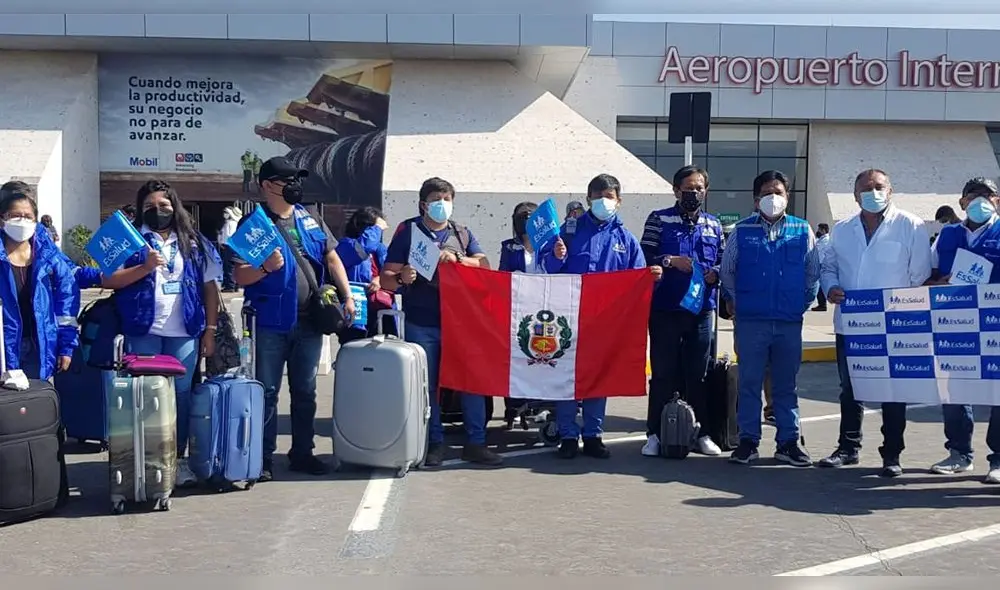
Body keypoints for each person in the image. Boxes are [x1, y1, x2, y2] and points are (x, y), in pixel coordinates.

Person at [233, 157, 355, 481]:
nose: (294, 185)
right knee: (267, 392)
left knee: (305, 391)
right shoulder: (253, 225)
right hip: (270, 322)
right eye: (286, 180)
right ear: (267, 185)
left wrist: (347, 295)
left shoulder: (310, 218)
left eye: (296, 179)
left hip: (310, 322)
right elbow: (237, 274)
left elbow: (331, 256)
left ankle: (303, 453)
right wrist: (263, 269)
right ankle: (262, 459)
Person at [102, 179, 223, 487]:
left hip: (184, 331)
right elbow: (108, 279)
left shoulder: (194, 241)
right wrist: (144, 267)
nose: (158, 211)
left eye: (164, 206)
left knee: (180, 396)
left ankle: (177, 459)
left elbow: (210, 287)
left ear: (175, 207)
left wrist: (210, 329)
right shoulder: (129, 239)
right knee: (146, 397)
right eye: (150, 207)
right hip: (144, 329)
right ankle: (146, 460)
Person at [380, 177, 502, 467]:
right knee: (429, 385)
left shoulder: (461, 233)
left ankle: (476, 442)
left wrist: (459, 257)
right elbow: (386, 277)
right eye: (437, 200)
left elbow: (484, 265)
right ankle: (435, 443)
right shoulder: (408, 232)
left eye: (447, 199)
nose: (442, 205)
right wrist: (402, 277)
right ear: (424, 204)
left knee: (471, 382)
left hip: (461, 323)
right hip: (423, 321)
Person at [818, 168, 932, 477]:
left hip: (894, 322)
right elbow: (829, 266)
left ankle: (892, 454)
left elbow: (919, 273)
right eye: (865, 189)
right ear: (855, 196)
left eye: (879, 187)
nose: (873, 193)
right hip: (852, 323)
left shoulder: (910, 225)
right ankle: (848, 448)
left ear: (891, 191)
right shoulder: (842, 229)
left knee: (892, 391)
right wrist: (830, 287)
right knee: (849, 388)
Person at [541, 173, 649, 459]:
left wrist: (654, 277)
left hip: (606, 322)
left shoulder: (625, 239)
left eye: (609, 197)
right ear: (588, 198)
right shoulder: (570, 230)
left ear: (619, 201)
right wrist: (557, 255)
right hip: (569, 319)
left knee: (598, 379)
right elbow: (548, 268)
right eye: (598, 196)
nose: (603, 201)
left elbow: (638, 279)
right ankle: (567, 435)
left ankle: (593, 434)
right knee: (566, 378)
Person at [720, 170, 819, 467]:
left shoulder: (803, 230)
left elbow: (812, 273)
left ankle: (788, 442)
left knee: (786, 385)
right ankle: (747, 441)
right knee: (749, 383)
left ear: (787, 198)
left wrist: (799, 304)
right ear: (755, 199)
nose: (772, 198)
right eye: (766, 192)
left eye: (778, 192)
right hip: (751, 322)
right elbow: (728, 271)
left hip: (788, 322)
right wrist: (739, 303)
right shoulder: (741, 231)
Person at [639, 165, 723, 457]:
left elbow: (724, 261)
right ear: (676, 190)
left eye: (699, 187)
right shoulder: (659, 219)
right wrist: (670, 260)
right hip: (665, 309)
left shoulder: (714, 224)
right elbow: (645, 256)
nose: (694, 192)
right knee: (664, 373)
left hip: (700, 310)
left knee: (698, 374)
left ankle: (702, 433)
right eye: (689, 187)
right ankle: (655, 433)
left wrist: (716, 272)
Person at [925, 177, 1000, 484]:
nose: (981, 200)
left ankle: (999, 460)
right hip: (953, 324)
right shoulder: (947, 235)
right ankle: (959, 453)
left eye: (988, 195)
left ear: (998, 201)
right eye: (974, 195)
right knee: (954, 390)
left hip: (995, 327)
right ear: (962, 203)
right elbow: (927, 275)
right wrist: (937, 282)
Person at [0, 185, 78, 381]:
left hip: (41, 349)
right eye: (14, 215)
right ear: (2, 220)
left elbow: (66, 300)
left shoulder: (49, 258)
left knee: (36, 406)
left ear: (36, 221)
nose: (22, 220)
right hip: (3, 351)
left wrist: (66, 346)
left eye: (28, 216)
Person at [335, 206, 392, 343]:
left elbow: (390, 272)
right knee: (354, 353)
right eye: (374, 229)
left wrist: (379, 279)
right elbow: (363, 247)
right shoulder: (346, 245)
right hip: (355, 309)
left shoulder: (380, 249)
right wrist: (377, 227)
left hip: (378, 310)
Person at [499, 202, 542, 274]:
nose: (525, 221)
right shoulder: (509, 247)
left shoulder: (548, 245)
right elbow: (503, 273)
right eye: (520, 217)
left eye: (528, 217)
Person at [218, 206, 241, 292]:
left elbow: (229, 235)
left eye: (226, 213)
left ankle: (230, 286)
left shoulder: (230, 223)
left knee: (229, 267)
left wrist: (224, 243)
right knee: (232, 266)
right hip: (230, 246)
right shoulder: (231, 223)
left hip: (229, 247)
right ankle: (234, 285)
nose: (225, 214)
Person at [811, 224, 831, 311]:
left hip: (821, 264)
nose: (818, 231)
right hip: (818, 263)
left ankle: (822, 304)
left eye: (819, 229)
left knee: (819, 285)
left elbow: (815, 249)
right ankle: (821, 303)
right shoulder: (821, 239)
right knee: (819, 284)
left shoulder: (826, 240)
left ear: (823, 230)